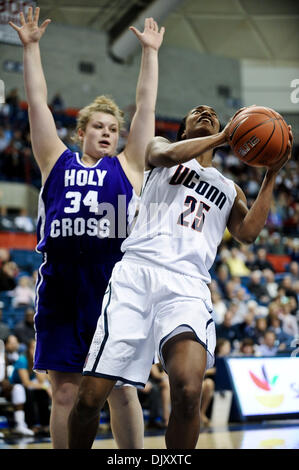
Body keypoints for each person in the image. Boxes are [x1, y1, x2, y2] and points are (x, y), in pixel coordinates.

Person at [68, 104, 293, 449]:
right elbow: (164, 153)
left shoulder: (230, 188)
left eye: (213, 113)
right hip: (137, 277)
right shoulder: (161, 151)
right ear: (184, 131)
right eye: (195, 111)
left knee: (189, 391)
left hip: (187, 287)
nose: (205, 111)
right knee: (88, 400)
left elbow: (248, 233)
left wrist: (272, 174)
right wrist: (224, 136)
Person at [9, 7, 164, 448]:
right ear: (81, 131)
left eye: (113, 128)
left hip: (111, 282)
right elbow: (37, 103)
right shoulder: (55, 159)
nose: (108, 133)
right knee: (64, 392)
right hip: (60, 282)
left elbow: (146, 108)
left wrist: (149, 54)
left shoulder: (130, 166)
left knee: (120, 390)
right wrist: (31, 46)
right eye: (99, 126)